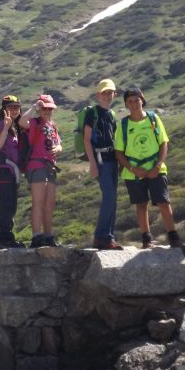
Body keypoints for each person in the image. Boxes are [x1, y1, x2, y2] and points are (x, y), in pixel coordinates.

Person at [114, 87, 180, 249]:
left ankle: (173, 237)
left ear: (142, 100)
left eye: (136, 100)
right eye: (130, 101)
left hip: (156, 169)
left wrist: (157, 166)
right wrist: (131, 168)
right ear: (126, 105)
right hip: (134, 173)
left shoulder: (153, 119)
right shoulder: (123, 125)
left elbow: (163, 143)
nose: (134, 104)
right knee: (141, 204)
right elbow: (119, 152)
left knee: (163, 202)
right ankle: (146, 239)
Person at [19, 94, 62, 247]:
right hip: (36, 166)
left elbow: (59, 144)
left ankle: (48, 236)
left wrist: (59, 148)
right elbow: (22, 121)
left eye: (50, 108)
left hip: (50, 168)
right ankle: (37, 236)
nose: (47, 111)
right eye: (44, 108)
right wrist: (33, 107)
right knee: (38, 202)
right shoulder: (34, 122)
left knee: (49, 203)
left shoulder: (53, 126)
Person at [83, 79, 122, 250]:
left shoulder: (111, 114)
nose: (107, 96)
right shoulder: (93, 113)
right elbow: (86, 139)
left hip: (112, 160)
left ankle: (108, 237)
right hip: (101, 160)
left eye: (110, 93)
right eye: (104, 93)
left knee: (113, 199)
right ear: (98, 95)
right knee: (109, 197)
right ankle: (102, 237)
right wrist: (92, 163)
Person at [0, 94, 25, 249]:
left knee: (10, 205)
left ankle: (1, 239)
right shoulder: (1, 125)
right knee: (7, 206)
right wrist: (5, 126)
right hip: (2, 170)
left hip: (10, 172)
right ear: (4, 109)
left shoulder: (15, 127)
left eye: (17, 107)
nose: (15, 110)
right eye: (11, 107)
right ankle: (5, 239)